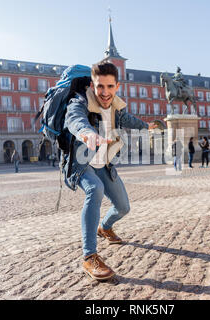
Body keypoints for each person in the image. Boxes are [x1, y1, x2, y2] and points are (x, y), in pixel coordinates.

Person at [63, 61, 158, 281]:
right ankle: (89, 256)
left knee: (123, 207)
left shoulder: (115, 106)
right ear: (92, 85)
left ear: (116, 86)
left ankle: (104, 227)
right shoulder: (80, 102)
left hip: (104, 164)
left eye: (109, 86)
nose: (104, 92)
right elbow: (74, 119)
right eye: (99, 87)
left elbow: (127, 119)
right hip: (82, 164)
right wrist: (87, 133)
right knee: (94, 189)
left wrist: (147, 126)